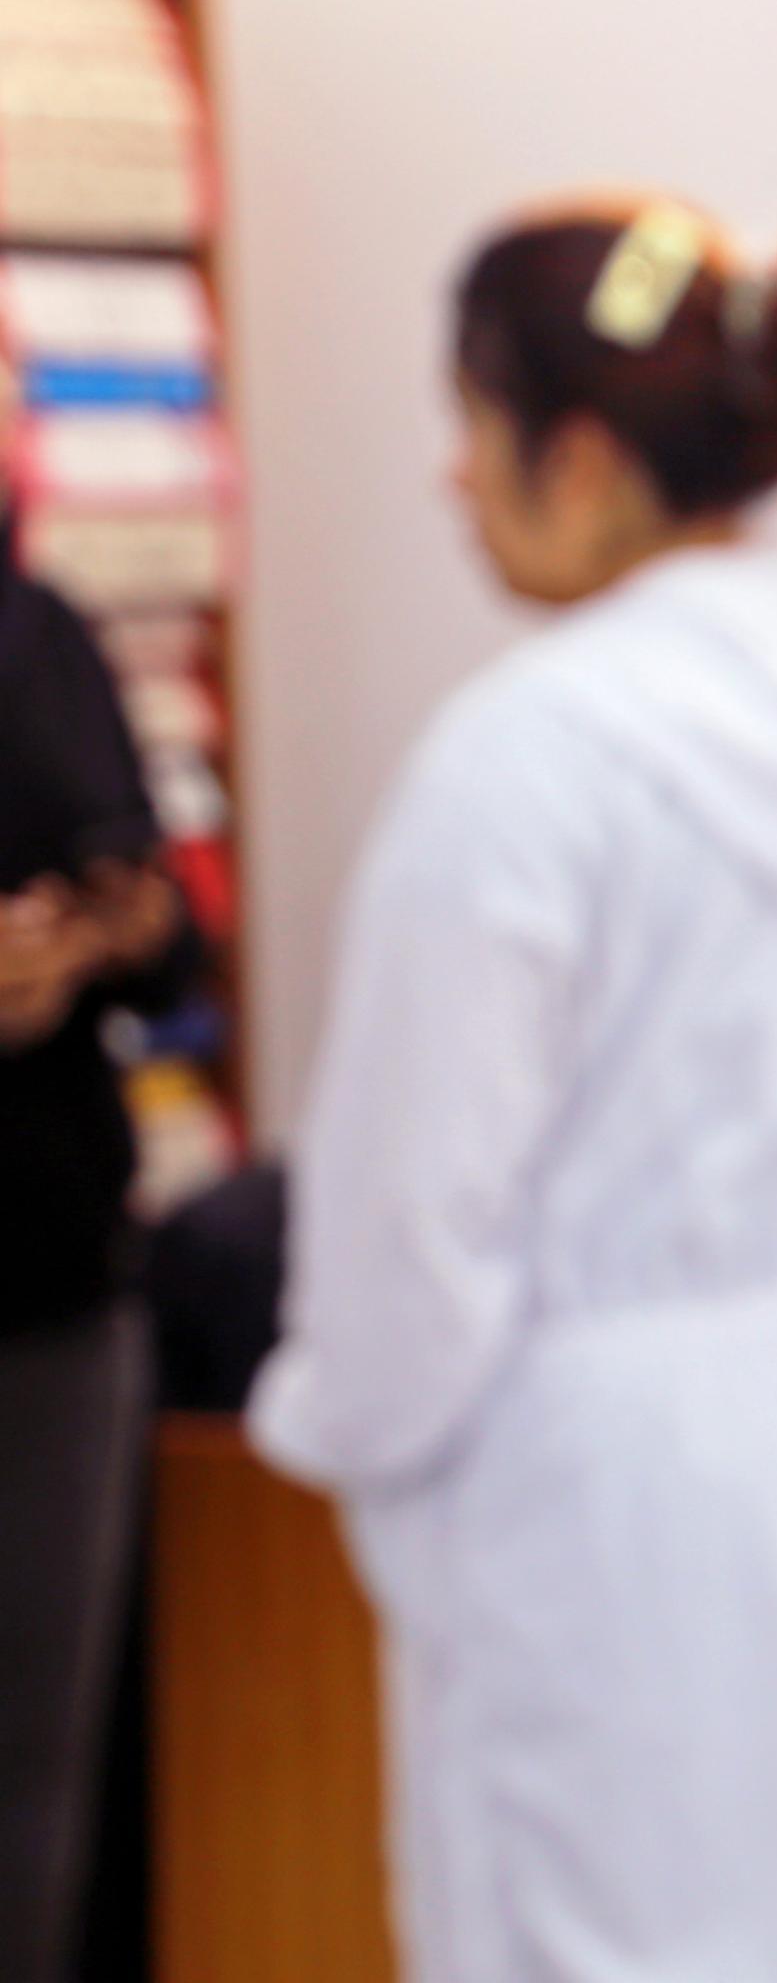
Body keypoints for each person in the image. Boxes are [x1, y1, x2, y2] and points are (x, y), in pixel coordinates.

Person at [251, 200, 777, 1983]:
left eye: (470, 427)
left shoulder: (526, 761)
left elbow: (403, 1232)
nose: (453, 481)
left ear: (583, 458)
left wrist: (352, 1433)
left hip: (592, 1493)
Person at [0, 543, 191, 1983]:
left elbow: (163, 927)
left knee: (37, 1780)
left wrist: (76, 935)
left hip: (48, 1288)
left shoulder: (40, 629)